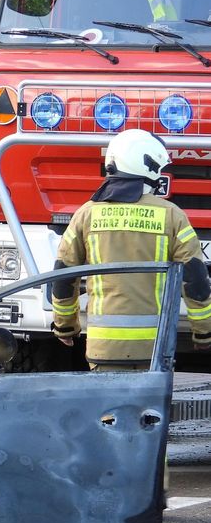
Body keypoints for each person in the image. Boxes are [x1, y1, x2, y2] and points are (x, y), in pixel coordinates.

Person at [51, 129, 211, 370]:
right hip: (155, 351)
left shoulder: (86, 214)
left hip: (102, 350)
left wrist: (65, 326)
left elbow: (63, 276)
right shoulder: (172, 215)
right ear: (149, 166)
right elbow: (195, 279)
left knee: (106, 408)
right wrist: (204, 333)